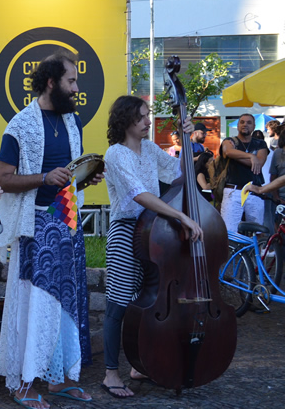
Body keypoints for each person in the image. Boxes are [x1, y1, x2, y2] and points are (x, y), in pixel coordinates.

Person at [0, 49, 101, 409]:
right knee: (35, 302)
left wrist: (85, 177)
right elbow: (3, 179)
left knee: (68, 300)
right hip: (36, 224)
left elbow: (68, 176)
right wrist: (43, 178)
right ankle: (23, 383)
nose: (76, 89)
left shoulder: (73, 122)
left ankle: (59, 380)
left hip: (67, 220)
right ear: (51, 82)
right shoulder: (20, 125)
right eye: (71, 81)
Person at [102, 95, 203, 398]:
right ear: (125, 119)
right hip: (126, 232)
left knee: (149, 303)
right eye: (143, 116)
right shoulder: (116, 153)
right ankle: (110, 373)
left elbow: (180, 174)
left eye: (148, 115)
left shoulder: (148, 148)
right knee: (119, 304)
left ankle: (139, 364)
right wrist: (180, 216)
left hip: (153, 233)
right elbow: (138, 194)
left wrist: (186, 139)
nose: (149, 121)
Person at [220, 113, 268, 233]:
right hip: (233, 191)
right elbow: (228, 151)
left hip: (255, 191)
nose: (245, 124)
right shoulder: (229, 141)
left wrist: (236, 155)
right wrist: (251, 156)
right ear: (238, 125)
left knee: (257, 231)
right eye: (242, 122)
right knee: (229, 231)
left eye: (249, 122)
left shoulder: (260, 144)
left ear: (254, 126)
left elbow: (259, 163)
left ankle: (254, 247)